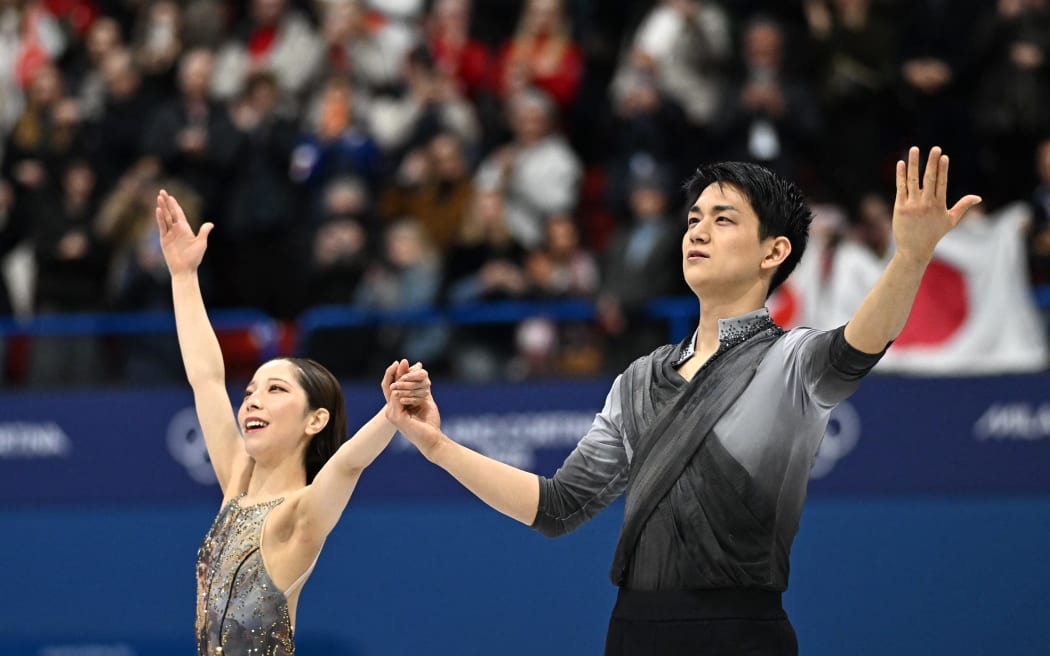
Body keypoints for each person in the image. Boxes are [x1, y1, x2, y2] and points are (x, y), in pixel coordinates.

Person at [385, 147, 981, 655]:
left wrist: (910, 256)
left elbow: (863, 341)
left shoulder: (794, 361)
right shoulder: (638, 379)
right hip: (633, 632)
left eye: (723, 219)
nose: (696, 230)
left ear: (773, 253)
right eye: (694, 218)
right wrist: (436, 446)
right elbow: (558, 507)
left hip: (743, 632)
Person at [153, 190, 433, 655]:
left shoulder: (299, 514)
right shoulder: (236, 484)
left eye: (276, 390)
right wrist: (183, 275)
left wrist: (391, 417)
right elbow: (206, 378)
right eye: (250, 393)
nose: (252, 402)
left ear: (315, 420)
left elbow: (347, 465)